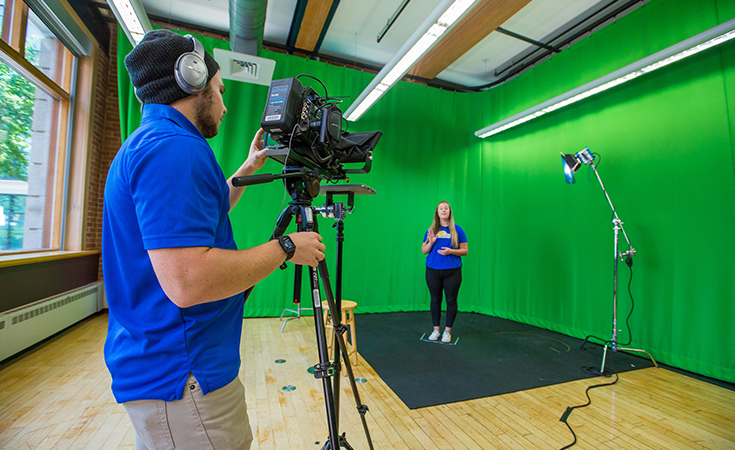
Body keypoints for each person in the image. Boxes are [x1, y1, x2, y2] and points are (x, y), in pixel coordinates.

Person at [102, 30, 326, 450]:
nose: (225, 105)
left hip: (168, 371)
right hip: (186, 379)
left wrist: (248, 165)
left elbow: (201, 214)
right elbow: (188, 280)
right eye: (220, 91)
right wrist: (288, 247)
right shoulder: (174, 150)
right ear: (191, 79)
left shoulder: (153, 143)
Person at [421, 201, 468, 343]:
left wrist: (450, 251)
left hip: (452, 272)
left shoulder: (457, 230)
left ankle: (447, 332)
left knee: (451, 300)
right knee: (435, 300)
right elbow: (424, 251)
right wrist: (431, 241)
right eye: (441, 208)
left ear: (449, 212)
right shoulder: (431, 230)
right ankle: (436, 330)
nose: (443, 210)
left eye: (446, 208)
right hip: (433, 271)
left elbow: (465, 250)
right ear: (437, 212)